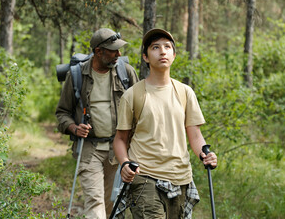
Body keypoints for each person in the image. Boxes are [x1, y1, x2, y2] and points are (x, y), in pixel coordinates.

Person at [113, 28, 217, 218]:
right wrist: (125, 163)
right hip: (145, 177)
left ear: (174, 55)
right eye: (155, 47)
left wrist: (205, 154)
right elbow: (120, 139)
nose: (162, 51)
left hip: (181, 178)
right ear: (145, 57)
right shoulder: (133, 95)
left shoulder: (185, 92)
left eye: (167, 47)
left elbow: (194, 135)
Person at [56, 28, 139, 219]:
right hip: (88, 148)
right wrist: (74, 128)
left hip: (118, 149)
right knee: (95, 201)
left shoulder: (126, 72)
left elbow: (141, 110)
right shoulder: (77, 75)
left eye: (119, 49)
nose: (119, 54)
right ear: (98, 51)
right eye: (113, 50)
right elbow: (62, 113)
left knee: (113, 205)